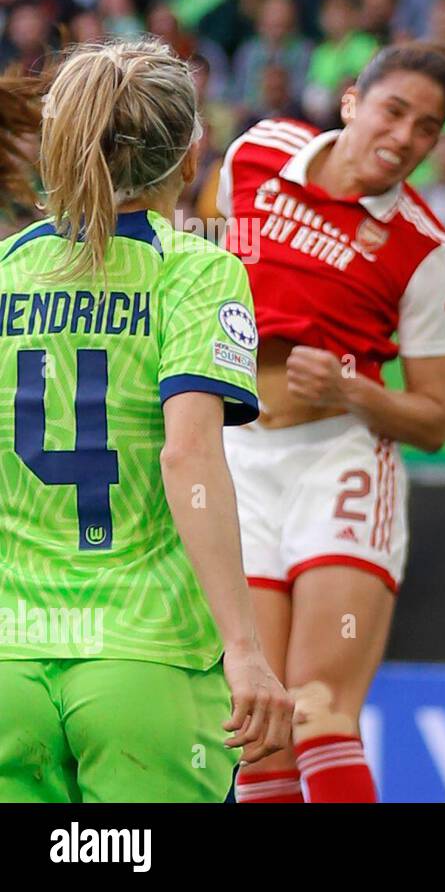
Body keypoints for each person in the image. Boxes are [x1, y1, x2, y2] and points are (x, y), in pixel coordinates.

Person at [217, 42, 445, 803]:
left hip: (341, 465)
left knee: (320, 711)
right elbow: (208, 261)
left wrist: (352, 386)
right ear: (352, 99)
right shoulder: (255, 155)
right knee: (258, 728)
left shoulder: (421, 248)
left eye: (428, 129)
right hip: (240, 463)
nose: (406, 138)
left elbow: (434, 418)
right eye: (395, 111)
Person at [0, 39, 292, 802]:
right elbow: (187, 460)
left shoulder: (6, 272)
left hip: (10, 668)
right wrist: (246, 650)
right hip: (146, 660)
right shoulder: (196, 270)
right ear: (191, 158)